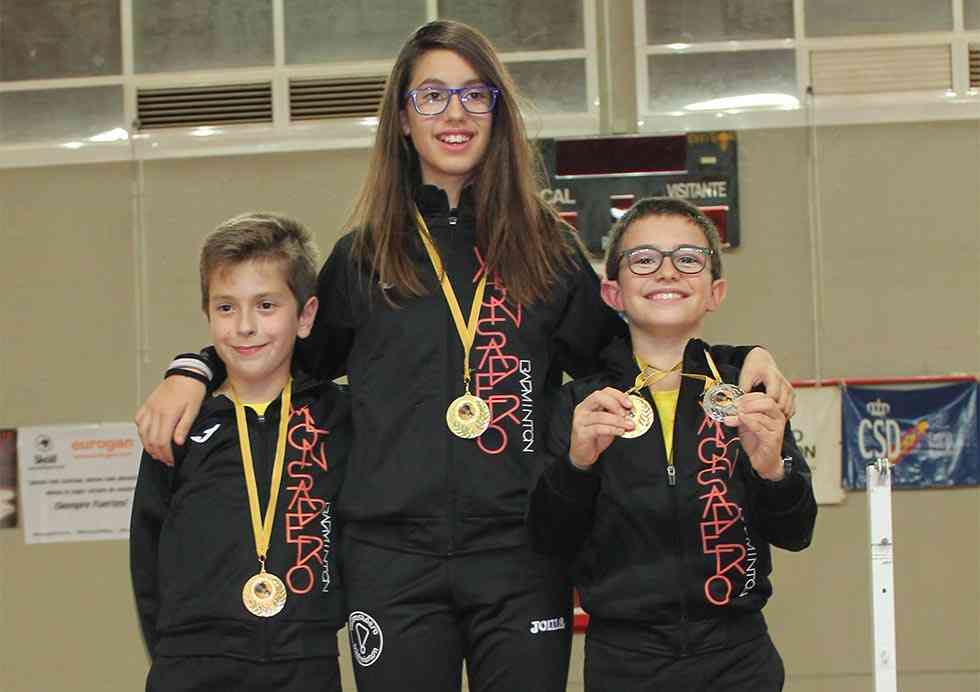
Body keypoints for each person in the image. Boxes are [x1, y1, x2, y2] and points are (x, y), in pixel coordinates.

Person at [133, 20, 795, 692]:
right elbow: (281, 355)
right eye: (433, 96)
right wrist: (197, 368)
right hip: (391, 563)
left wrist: (740, 358)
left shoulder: (546, 250)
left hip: (520, 557)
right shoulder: (364, 258)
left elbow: (631, 353)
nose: (455, 113)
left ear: (498, 114)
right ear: (402, 117)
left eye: (476, 96)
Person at [527, 197, 817, 692]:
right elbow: (549, 541)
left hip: (739, 657)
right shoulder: (580, 404)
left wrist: (773, 472)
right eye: (643, 259)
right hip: (625, 660)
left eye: (688, 258)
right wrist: (577, 466)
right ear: (613, 293)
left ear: (714, 291)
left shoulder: (748, 388)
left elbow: (796, 531)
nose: (666, 272)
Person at [130, 213, 350, 692]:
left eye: (266, 305)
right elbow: (148, 553)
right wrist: (173, 651)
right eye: (226, 308)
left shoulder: (342, 417)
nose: (245, 326)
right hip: (192, 664)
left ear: (306, 315)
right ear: (207, 315)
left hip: (306, 661)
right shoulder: (179, 422)